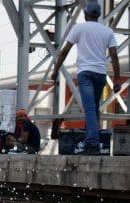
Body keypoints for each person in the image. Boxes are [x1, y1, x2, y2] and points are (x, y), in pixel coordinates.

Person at [51, 0, 121, 155]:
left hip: (85, 73)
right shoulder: (107, 31)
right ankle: (92, 141)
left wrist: (55, 70)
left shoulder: (79, 28)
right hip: (101, 74)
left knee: (89, 108)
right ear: (98, 15)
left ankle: (93, 143)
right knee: (94, 109)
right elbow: (114, 57)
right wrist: (117, 79)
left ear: (85, 13)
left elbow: (64, 51)